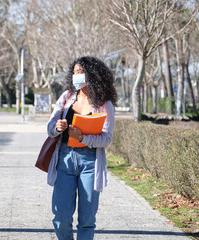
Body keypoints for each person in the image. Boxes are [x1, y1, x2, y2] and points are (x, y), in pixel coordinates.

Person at [46, 56, 117, 240]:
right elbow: (50, 127)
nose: (76, 76)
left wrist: (83, 137)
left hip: (90, 162)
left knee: (86, 221)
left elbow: (106, 138)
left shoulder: (104, 104)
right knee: (61, 218)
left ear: (93, 75)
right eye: (75, 72)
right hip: (65, 159)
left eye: (81, 72)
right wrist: (57, 127)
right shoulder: (67, 97)